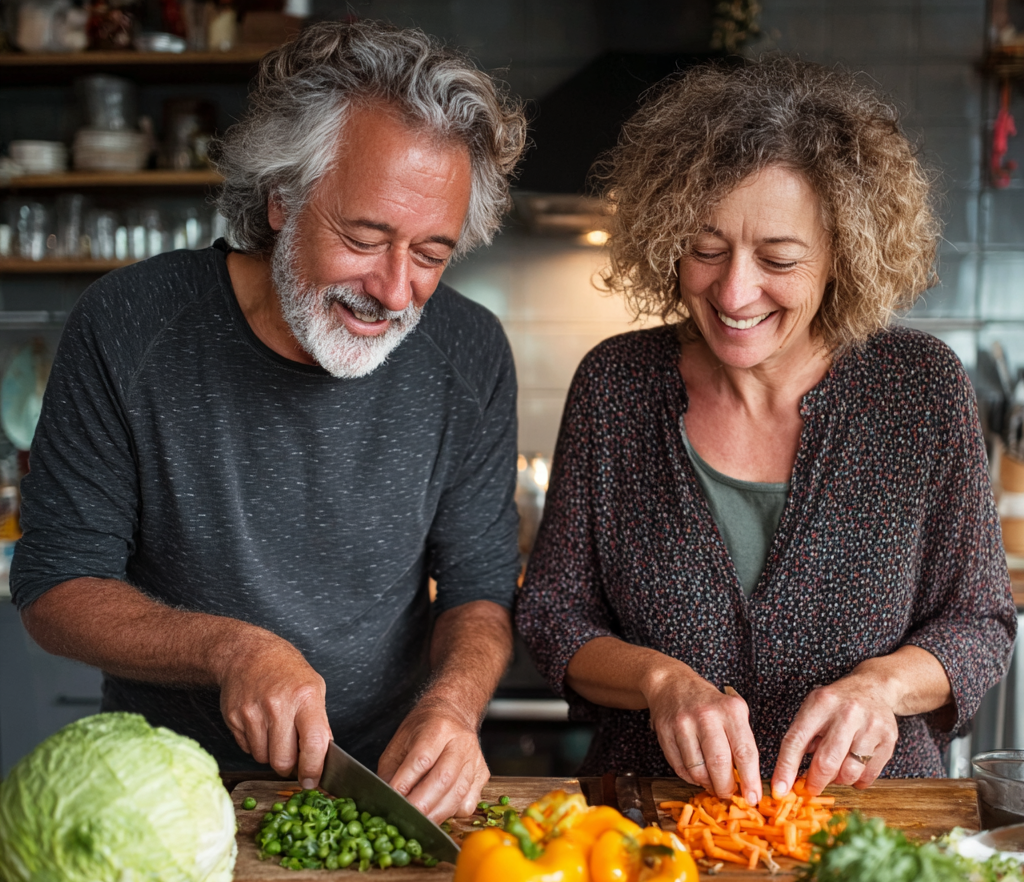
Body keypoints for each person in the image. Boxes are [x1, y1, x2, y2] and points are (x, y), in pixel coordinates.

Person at [11, 21, 528, 822]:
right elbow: (54, 588)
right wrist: (232, 650)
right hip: (165, 792)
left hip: (383, 792)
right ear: (282, 197)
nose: (395, 291)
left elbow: (479, 591)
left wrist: (454, 707)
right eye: (365, 237)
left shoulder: (470, 352)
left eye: (430, 254)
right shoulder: (130, 323)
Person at [516, 57, 1016, 806]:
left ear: (842, 255)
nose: (733, 291)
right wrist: (661, 683)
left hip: (872, 824)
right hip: (650, 825)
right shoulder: (615, 386)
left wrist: (882, 688)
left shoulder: (921, 389)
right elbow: (554, 612)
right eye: (706, 249)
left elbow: (978, 620)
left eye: (777, 258)